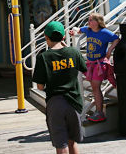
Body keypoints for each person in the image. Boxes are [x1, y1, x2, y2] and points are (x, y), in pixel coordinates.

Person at [32, 21, 87, 154]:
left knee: (61, 144)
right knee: (72, 141)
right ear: (63, 37)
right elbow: (84, 69)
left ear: (46, 37)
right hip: (74, 101)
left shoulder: (43, 57)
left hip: (55, 103)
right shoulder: (74, 52)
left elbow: (39, 87)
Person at [68, 13, 119, 123]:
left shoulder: (104, 32)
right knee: (94, 87)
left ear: (98, 22)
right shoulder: (88, 30)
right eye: (89, 20)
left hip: (99, 64)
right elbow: (79, 30)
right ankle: (98, 111)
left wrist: (110, 50)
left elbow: (116, 39)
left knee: (96, 87)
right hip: (90, 63)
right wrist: (74, 32)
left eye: (91, 20)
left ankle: (99, 112)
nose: (89, 22)